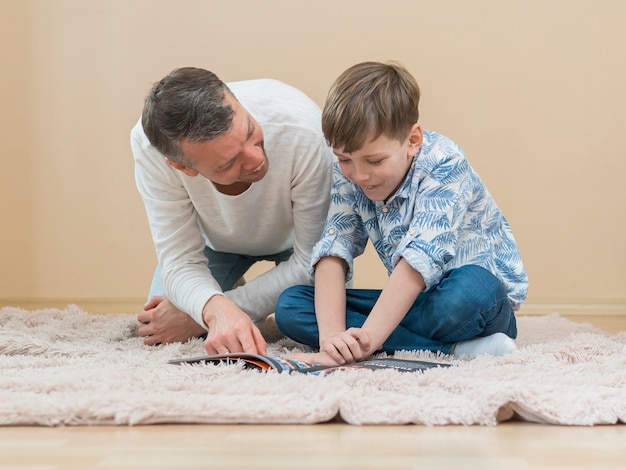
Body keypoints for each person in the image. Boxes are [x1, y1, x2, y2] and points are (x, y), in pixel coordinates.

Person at [274, 61, 528, 365]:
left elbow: (417, 263)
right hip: (415, 302)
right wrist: (331, 342)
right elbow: (335, 247)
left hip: (473, 302)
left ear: (412, 141)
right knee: (291, 305)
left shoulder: (444, 163)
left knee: (473, 289)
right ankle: (451, 350)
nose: (359, 175)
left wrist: (365, 342)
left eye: (375, 161)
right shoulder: (349, 173)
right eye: (345, 159)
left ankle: (386, 343)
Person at [130, 67, 334, 355]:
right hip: (215, 244)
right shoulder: (150, 148)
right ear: (182, 166)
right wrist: (214, 308)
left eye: (250, 131)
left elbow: (312, 262)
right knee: (161, 326)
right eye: (228, 163)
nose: (257, 159)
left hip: (300, 247)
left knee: (314, 323)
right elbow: (180, 261)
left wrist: (205, 313)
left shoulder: (303, 133)